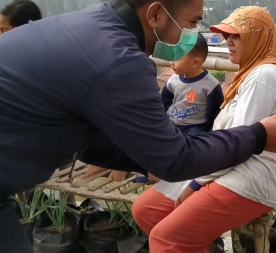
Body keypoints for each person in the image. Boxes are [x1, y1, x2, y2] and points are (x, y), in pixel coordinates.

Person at [0, 0, 276, 253]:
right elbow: (175, 160)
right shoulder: (119, 60)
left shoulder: (91, 27)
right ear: (155, 14)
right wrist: (258, 137)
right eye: (191, 24)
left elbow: (92, 138)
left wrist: (148, 152)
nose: (192, 37)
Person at [133, 6, 276, 253]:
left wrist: (196, 184)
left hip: (249, 177)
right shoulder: (250, 72)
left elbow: (240, 145)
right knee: (146, 210)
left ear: (258, 37)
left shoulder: (263, 76)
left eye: (237, 35)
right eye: (227, 35)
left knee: (166, 240)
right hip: (224, 166)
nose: (228, 41)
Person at [85, 32, 223, 182]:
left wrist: (209, 133)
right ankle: (125, 166)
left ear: (195, 62)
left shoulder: (211, 85)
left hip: (195, 128)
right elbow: (162, 104)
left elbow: (215, 114)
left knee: (192, 148)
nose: (171, 61)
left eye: (177, 57)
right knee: (148, 140)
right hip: (171, 124)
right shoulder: (174, 80)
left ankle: (162, 175)